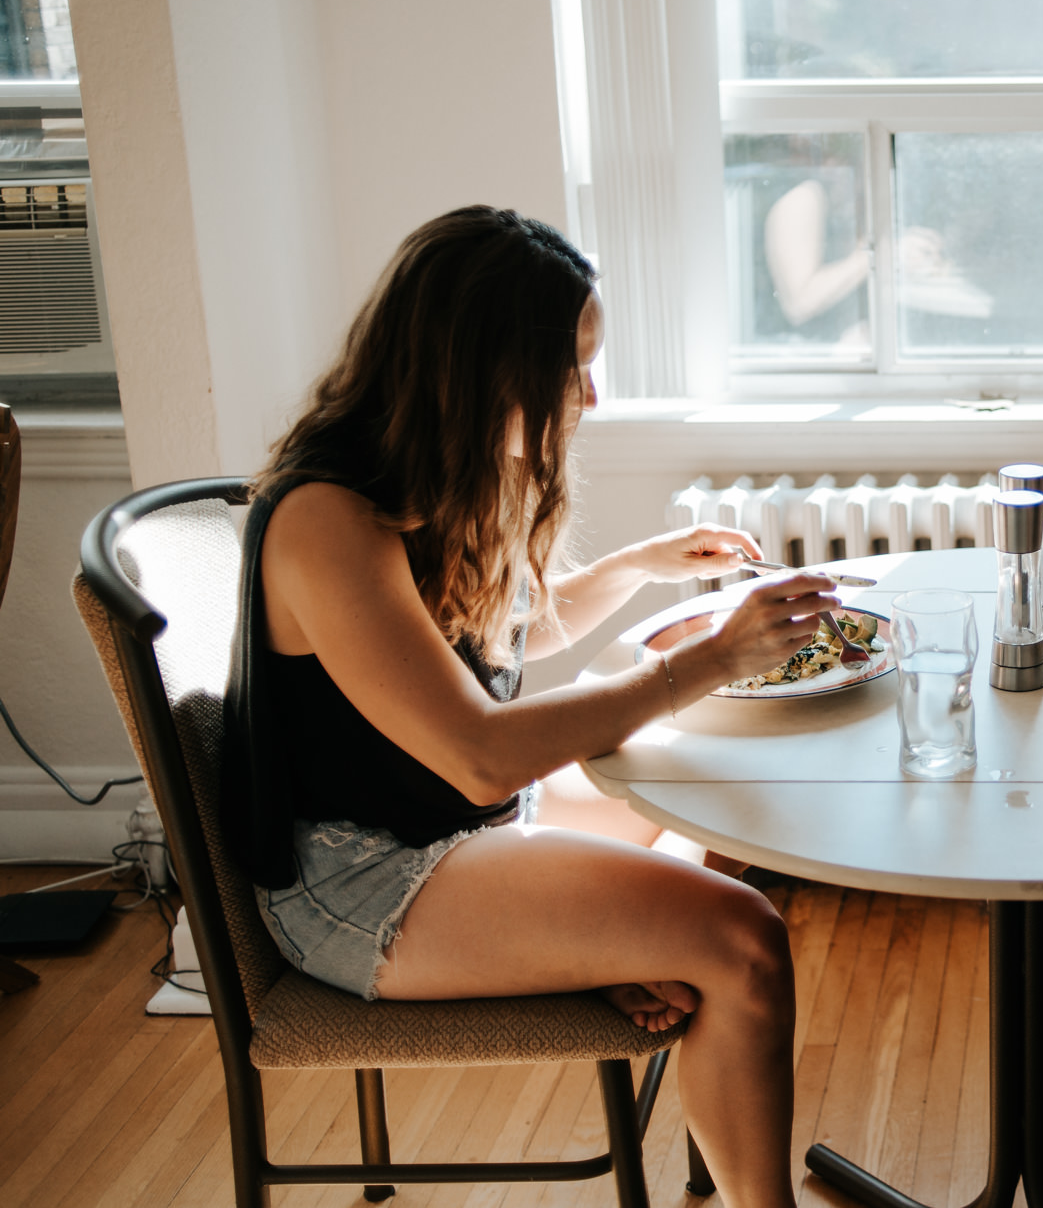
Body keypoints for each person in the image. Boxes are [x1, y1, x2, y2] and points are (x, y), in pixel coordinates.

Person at [220, 206, 835, 1208]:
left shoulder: (436, 471)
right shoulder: (326, 517)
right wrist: (712, 658)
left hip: (461, 830)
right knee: (741, 935)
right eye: (570, 368)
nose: (590, 394)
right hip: (365, 878)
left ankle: (607, 946)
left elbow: (509, 636)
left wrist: (639, 568)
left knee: (717, 805)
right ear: (476, 367)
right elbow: (478, 755)